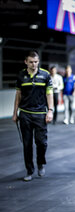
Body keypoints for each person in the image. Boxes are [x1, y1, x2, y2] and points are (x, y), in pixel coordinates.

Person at [12, 51, 53, 181]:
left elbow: (49, 94)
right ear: (26, 62)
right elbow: (18, 95)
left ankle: (40, 163)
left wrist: (50, 110)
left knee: (42, 143)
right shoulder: (21, 75)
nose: (34, 64)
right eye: (31, 62)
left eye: (36, 62)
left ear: (38, 62)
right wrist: (15, 113)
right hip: (25, 114)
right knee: (27, 144)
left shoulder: (46, 75)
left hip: (40, 114)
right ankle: (29, 170)